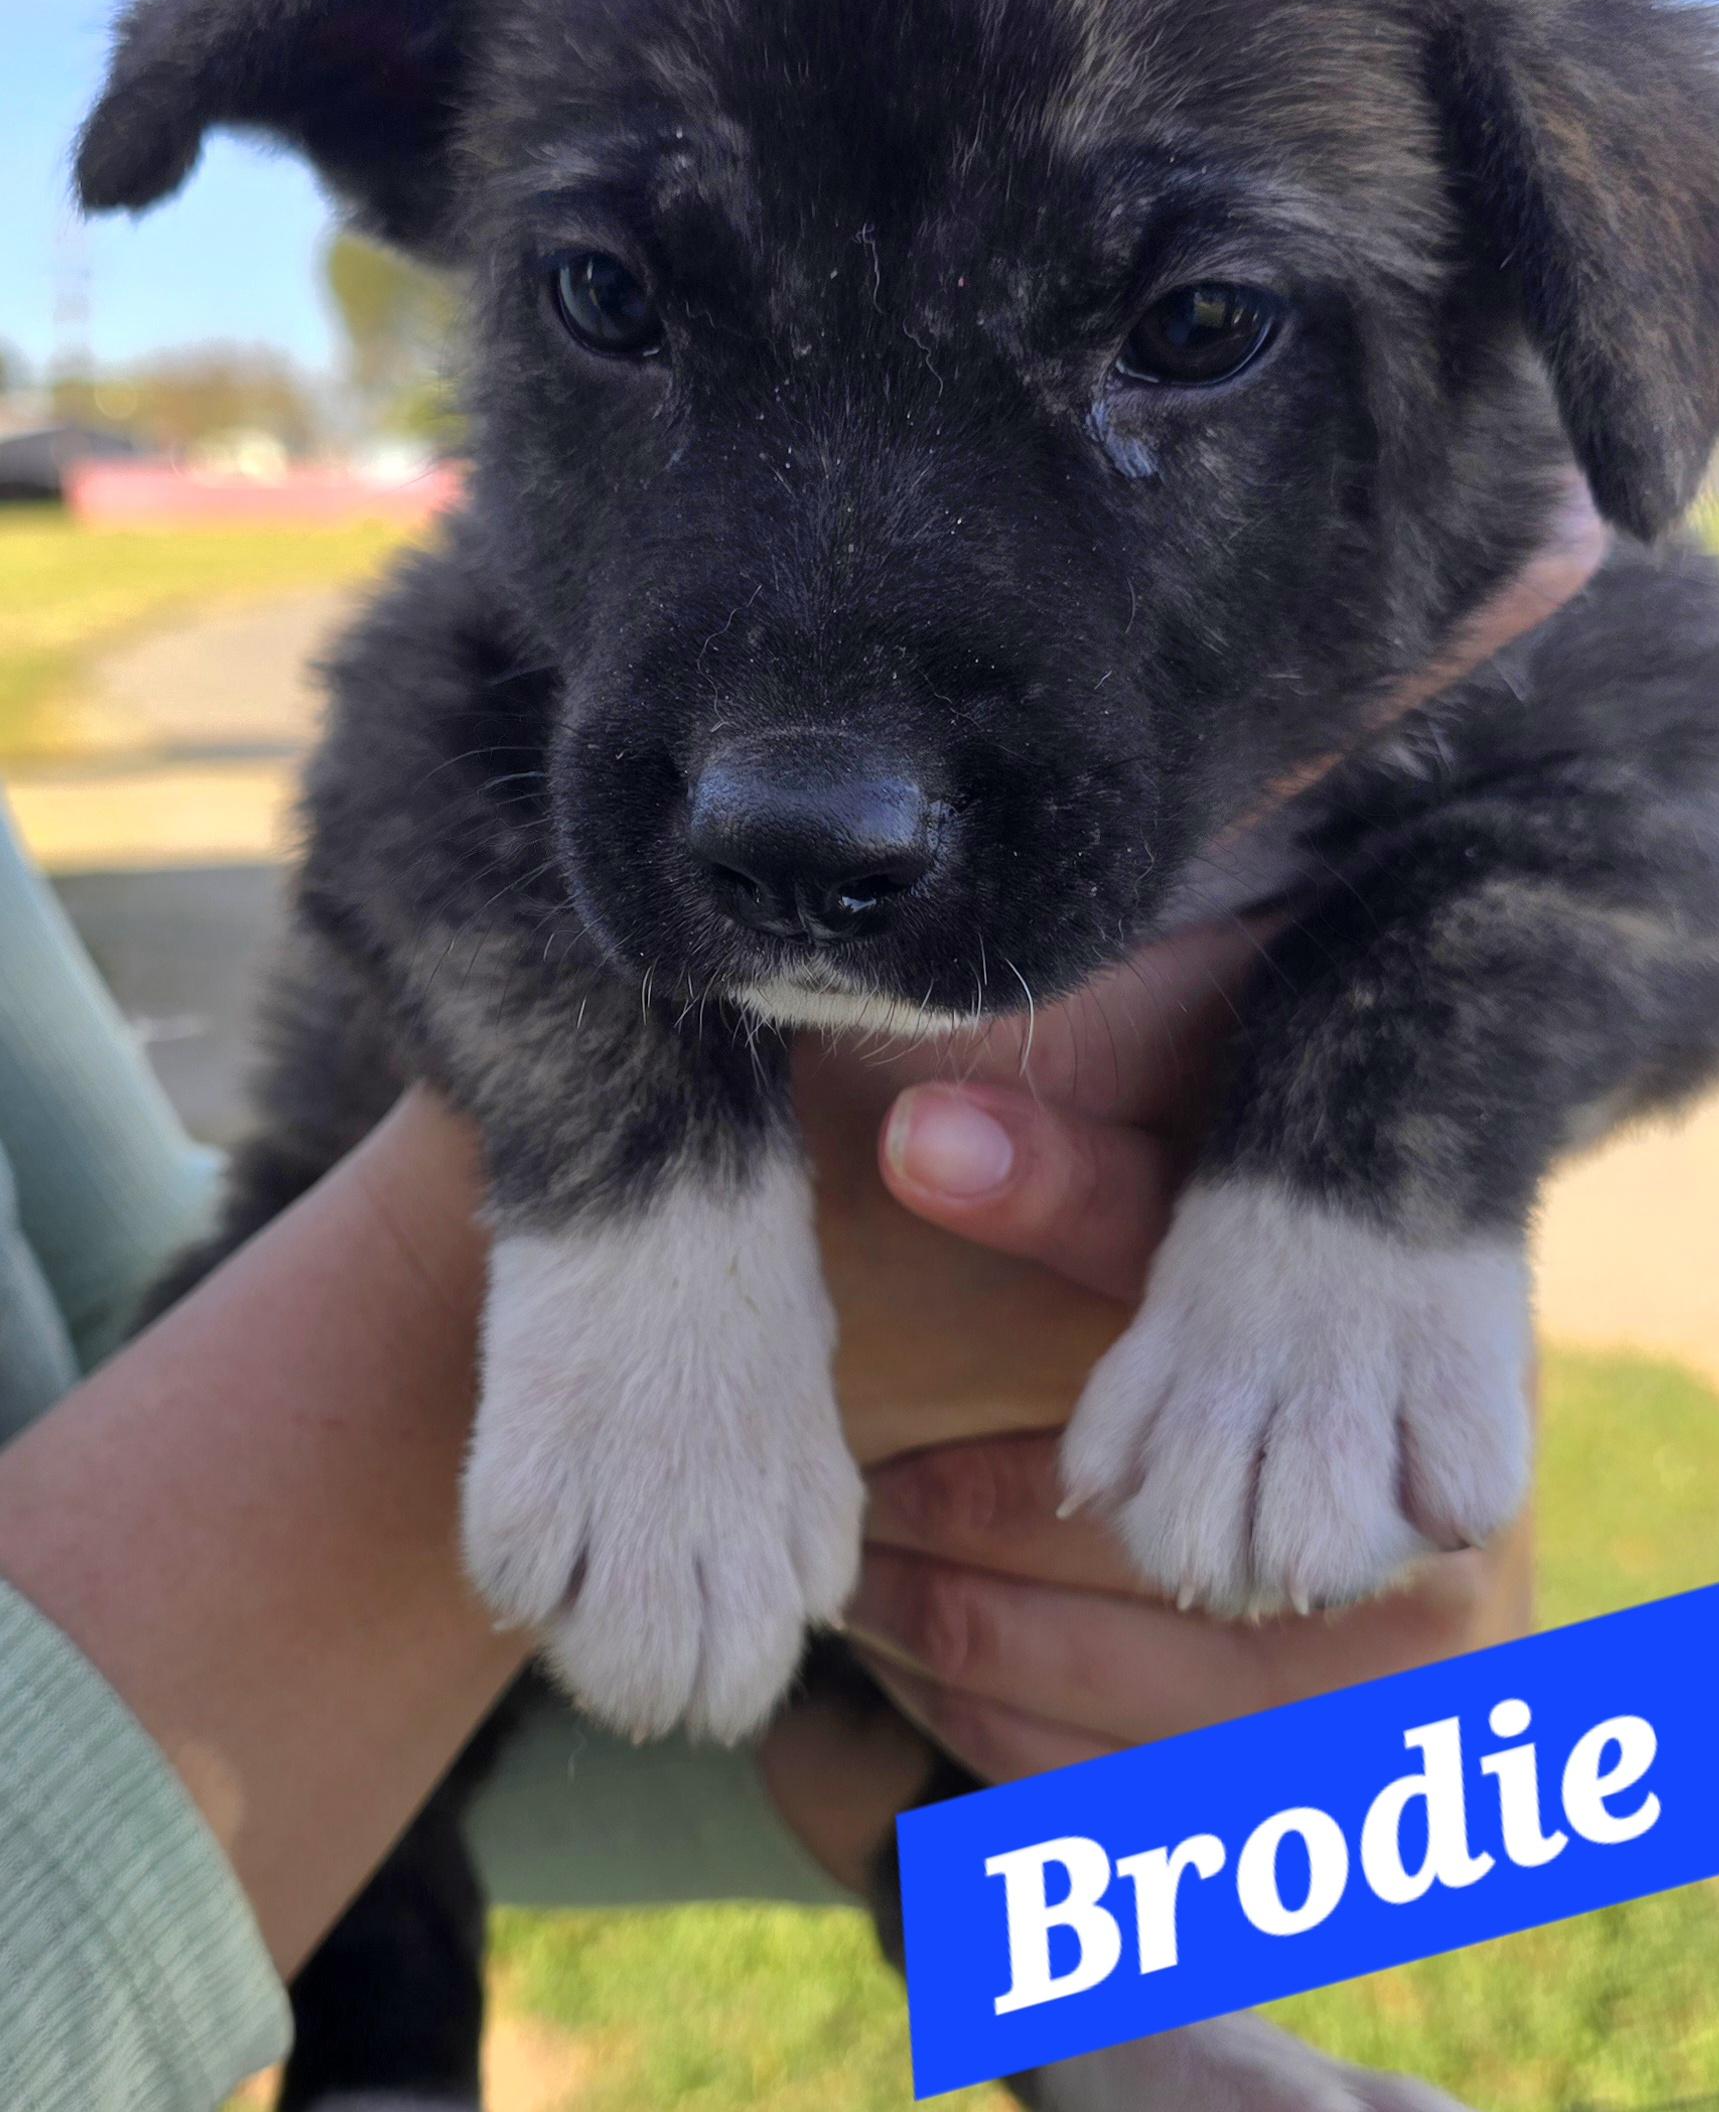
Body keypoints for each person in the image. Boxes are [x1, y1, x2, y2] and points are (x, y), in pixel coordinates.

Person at [0, 487, 1597, 2108]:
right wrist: (629, 1239)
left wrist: (1062, 1849)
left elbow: (109, 1369)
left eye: (1188, 337)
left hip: (494, 1741)